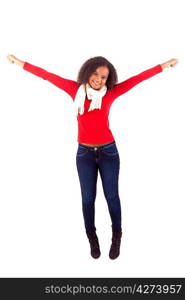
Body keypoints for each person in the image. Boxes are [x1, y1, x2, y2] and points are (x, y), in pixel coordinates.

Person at [7, 54, 178, 259]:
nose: (99, 79)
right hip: (84, 154)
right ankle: (92, 238)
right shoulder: (74, 90)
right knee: (88, 199)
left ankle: (117, 236)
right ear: (88, 72)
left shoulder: (110, 94)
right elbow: (47, 76)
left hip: (109, 152)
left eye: (104, 77)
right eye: (96, 74)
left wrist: (164, 66)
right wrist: (19, 63)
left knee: (112, 196)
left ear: (109, 80)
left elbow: (137, 79)